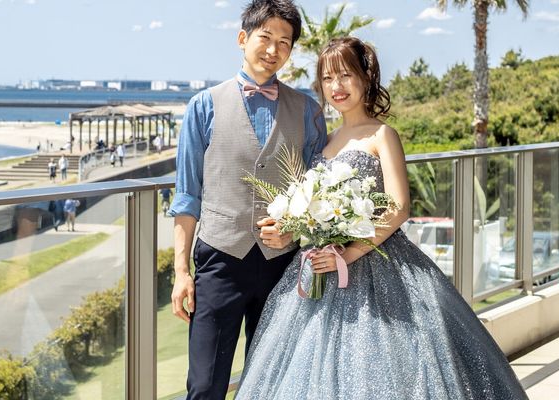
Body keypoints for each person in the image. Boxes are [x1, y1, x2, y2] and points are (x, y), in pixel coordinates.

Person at [234, 37, 528, 400]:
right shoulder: (324, 140)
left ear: (366, 77)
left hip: (379, 262)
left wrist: (348, 254)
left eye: (345, 75)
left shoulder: (382, 135)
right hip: (323, 265)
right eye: (327, 78)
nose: (336, 86)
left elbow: (399, 207)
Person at [167, 1, 327, 398]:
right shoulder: (203, 106)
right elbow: (187, 196)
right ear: (243, 38)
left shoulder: (308, 111)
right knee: (205, 384)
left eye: (284, 42)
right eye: (265, 37)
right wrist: (181, 272)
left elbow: (317, 193)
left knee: (271, 383)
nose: (273, 49)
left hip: (282, 264)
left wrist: (294, 230)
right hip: (220, 260)